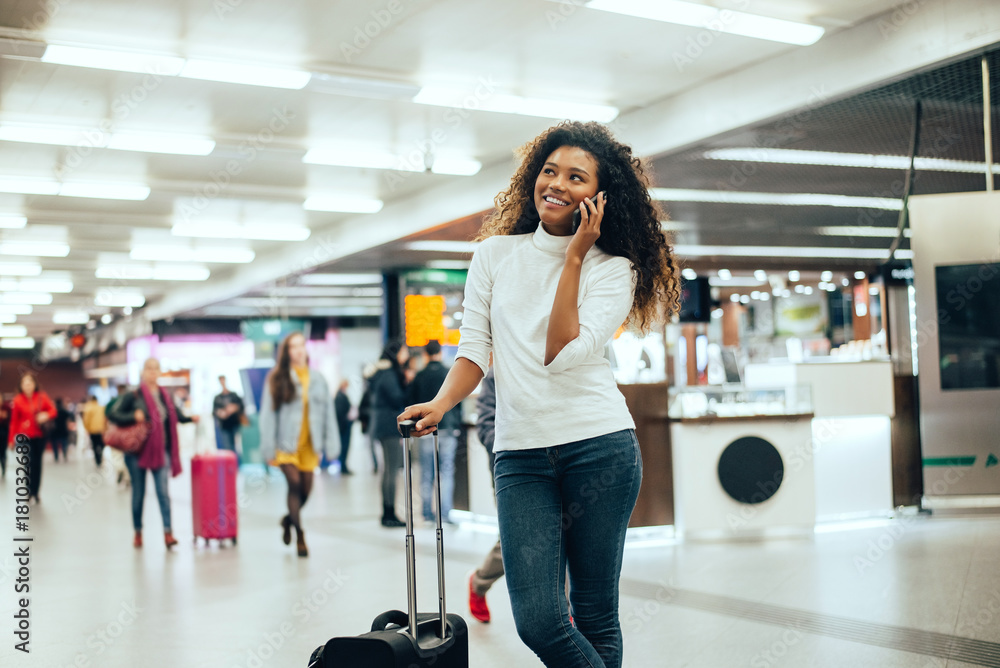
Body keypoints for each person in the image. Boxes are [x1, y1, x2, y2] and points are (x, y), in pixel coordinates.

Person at [400, 121, 680, 667]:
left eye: (577, 177)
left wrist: (575, 256)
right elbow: (475, 349)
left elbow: (561, 349)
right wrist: (440, 403)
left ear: (600, 196)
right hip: (521, 455)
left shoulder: (613, 269)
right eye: (549, 170)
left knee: (596, 614)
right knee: (540, 621)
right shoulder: (493, 256)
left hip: (599, 446)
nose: (557, 183)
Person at [258, 332, 338, 557]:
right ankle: (300, 535)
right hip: (285, 444)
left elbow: (328, 415)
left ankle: (287, 520)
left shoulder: (318, 379)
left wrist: (331, 446)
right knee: (294, 484)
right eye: (293, 347)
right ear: (287, 352)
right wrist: (268, 448)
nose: (299, 350)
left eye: (301, 345)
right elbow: (268, 415)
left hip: (309, 445)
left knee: (305, 491)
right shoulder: (277, 378)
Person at [107, 359, 186, 549]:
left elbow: (177, 416)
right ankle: (138, 532)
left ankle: (168, 533)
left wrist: (192, 418)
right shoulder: (133, 395)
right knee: (138, 493)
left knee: (163, 493)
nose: (152, 372)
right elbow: (112, 413)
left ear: (160, 372)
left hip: (161, 451)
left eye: (155, 368)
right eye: (148, 368)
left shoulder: (165, 396)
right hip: (137, 452)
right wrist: (132, 416)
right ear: (143, 372)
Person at [407, 340, 461, 523]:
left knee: (426, 472)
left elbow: (412, 404)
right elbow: (458, 401)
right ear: (440, 352)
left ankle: (426, 513)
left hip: (425, 430)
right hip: (447, 428)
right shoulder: (449, 373)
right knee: (445, 471)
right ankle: (444, 513)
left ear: (425, 354)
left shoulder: (419, 376)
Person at [468, 367, 501, 623]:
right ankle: (479, 583)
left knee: (562, 536)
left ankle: (563, 610)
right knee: (516, 540)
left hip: (560, 467)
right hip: (511, 469)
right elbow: (485, 423)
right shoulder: (496, 375)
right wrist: (507, 449)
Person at [367, 340, 411, 528]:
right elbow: (397, 398)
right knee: (391, 470)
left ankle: (387, 511)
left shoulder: (380, 373)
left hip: (381, 425)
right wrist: (408, 384)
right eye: (403, 351)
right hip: (389, 426)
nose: (406, 355)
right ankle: (389, 512)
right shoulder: (389, 374)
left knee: (388, 470)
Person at [8, 374, 56, 503]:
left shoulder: (42, 396)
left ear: (34, 384)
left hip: (39, 436)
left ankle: (36, 491)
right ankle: (28, 490)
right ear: (21, 386)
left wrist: (46, 415)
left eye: (30, 383)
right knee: (27, 463)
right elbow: (14, 421)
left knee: (37, 464)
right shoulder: (18, 400)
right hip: (24, 437)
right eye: (25, 383)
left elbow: (53, 411)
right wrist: (11, 440)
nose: (27, 385)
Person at [212, 376, 245, 464]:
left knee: (237, 446)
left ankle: (238, 464)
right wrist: (221, 413)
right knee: (227, 446)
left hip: (235, 424)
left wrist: (234, 408)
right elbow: (214, 411)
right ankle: (230, 465)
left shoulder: (233, 395)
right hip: (224, 425)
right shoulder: (217, 398)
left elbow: (241, 406)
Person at [105, 384, 131, 488]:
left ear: (118, 390)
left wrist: (105, 431)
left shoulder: (112, 402)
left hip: (114, 430)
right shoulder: (131, 401)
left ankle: (119, 468)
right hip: (128, 432)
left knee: (116, 454)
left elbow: (106, 417)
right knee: (127, 454)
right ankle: (127, 476)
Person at [333, 379, 354, 475]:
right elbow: (340, 413)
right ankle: (343, 467)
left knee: (344, 447)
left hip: (344, 426)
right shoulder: (340, 396)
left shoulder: (341, 395)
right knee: (343, 447)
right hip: (343, 427)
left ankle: (343, 466)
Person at [82, 395, 107, 468]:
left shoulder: (88, 408)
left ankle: (97, 460)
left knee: (95, 445)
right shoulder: (101, 407)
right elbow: (105, 418)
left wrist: (87, 428)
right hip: (101, 429)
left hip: (92, 430)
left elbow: (86, 420)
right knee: (102, 444)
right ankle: (101, 455)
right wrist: (105, 428)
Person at [49, 397, 73, 462]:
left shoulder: (53, 411)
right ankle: (65, 455)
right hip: (63, 430)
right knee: (64, 444)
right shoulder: (64, 411)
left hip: (54, 430)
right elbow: (68, 420)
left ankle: (56, 457)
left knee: (55, 445)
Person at [0, 394, 11, 477]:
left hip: (4, 432)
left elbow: (11, 419)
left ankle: (3, 468)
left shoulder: (7, 407)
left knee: (3, 452)